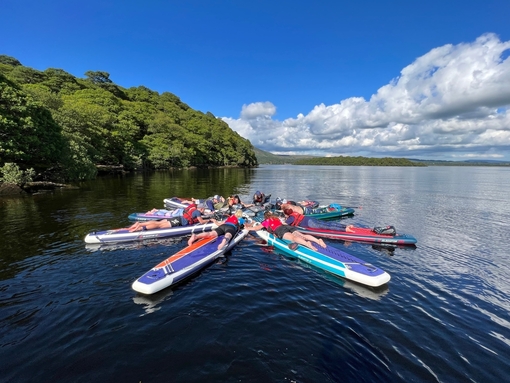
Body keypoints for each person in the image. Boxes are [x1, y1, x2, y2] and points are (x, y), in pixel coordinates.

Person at [246, 211, 327, 251]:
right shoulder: (276, 218)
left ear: (265, 217)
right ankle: (318, 240)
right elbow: (283, 223)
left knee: (293, 238)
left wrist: (247, 228)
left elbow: (256, 228)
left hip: (280, 229)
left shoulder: (266, 221)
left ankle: (307, 244)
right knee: (303, 236)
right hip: (286, 226)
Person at [126, 203, 210, 232]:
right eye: (203, 210)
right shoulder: (198, 212)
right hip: (179, 221)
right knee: (160, 226)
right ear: (201, 208)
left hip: (178, 218)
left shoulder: (193, 208)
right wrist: (210, 220)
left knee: (159, 222)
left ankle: (140, 224)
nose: (203, 212)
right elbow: (201, 222)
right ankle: (140, 229)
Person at [283, 209, 355, 232]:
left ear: (287, 214)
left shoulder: (290, 218)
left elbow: (285, 224)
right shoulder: (294, 213)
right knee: (327, 223)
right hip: (309, 218)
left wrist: (283, 221)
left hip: (309, 223)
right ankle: (346, 226)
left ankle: (345, 229)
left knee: (326, 227)